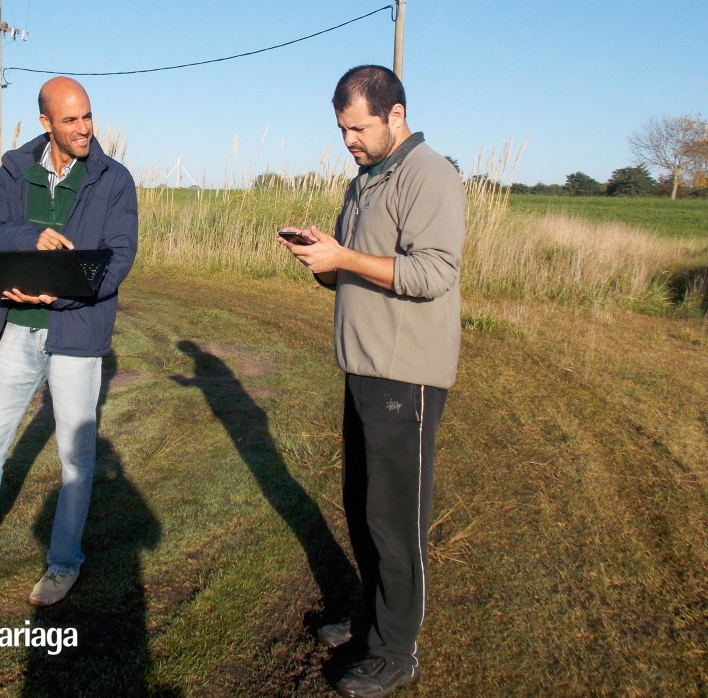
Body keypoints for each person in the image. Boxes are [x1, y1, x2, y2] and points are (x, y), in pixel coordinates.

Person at [0, 77, 138, 608]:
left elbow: (119, 258)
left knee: (75, 460)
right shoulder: (17, 166)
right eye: (71, 120)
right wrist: (26, 241)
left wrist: (53, 295)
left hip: (76, 336)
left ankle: (63, 563)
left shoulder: (114, 180)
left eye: (87, 116)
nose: (83, 129)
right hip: (16, 329)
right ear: (46, 124)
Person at [278, 65, 465, 697]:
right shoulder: (366, 180)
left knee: (394, 519)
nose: (349, 141)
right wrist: (322, 258)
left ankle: (395, 651)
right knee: (363, 508)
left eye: (358, 128)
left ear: (396, 115)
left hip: (405, 374)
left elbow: (433, 273)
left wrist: (345, 258)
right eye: (342, 130)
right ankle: (369, 618)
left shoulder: (429, 175)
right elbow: (356, 274)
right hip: (362, 368)